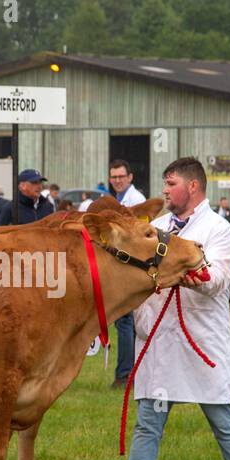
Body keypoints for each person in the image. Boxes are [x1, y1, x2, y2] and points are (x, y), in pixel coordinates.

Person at [114, 157, 230, 460]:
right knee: (149, 422)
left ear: (192, 187)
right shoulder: (157, 227)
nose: (165, 191)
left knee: (224, 423)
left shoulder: (219, 229)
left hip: (200, 342)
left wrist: (178, 271)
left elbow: (215, 281)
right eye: (165, 184)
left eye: (171, 184)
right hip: (159, 342)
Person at [106, 160, 148, 389]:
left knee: (125, 320)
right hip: (122, 267)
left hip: (131, 268)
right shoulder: (118, 200)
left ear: (130, 177)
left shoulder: (137, 202)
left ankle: (124, 375)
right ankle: (128, 373)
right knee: (126, 322)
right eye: (114, 177)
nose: (117, 180)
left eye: (121, 176)